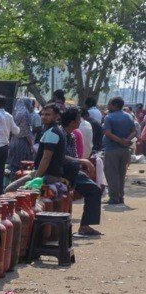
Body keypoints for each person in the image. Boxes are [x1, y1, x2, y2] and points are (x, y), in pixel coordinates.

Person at [59, 106, 103, 237]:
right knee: (93, 190)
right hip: (62, 172)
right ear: (72, 122)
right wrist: (82, 162)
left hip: (72, 170)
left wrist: (80, 164)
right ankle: (84, 227)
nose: (80, 122)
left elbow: (74, 157)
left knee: (94, 189)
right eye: (78, 120)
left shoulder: (71, 135)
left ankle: (85, 226)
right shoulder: (60, 134)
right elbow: (60, 157)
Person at [102, 96, 136, 206]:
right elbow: (134, 131)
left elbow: (108, 133)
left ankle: (114, 198)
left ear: (115, 105)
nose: (108, 106)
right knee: (121, 174)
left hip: (112, 149)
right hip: (125, 150)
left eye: (110, 104)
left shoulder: (109, 117)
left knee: (112, 174)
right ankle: (120, 196)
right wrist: (127, 140)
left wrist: (120, 141)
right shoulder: (129, 116)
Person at [8, 97, 36, 175]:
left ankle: (12, 183)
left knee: (13, 166)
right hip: (23, 143)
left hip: (14, 141)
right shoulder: (26, 113)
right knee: (23, 166)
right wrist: (31, 146)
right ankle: (18, 184)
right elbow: (27, 132)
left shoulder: (16, 112)